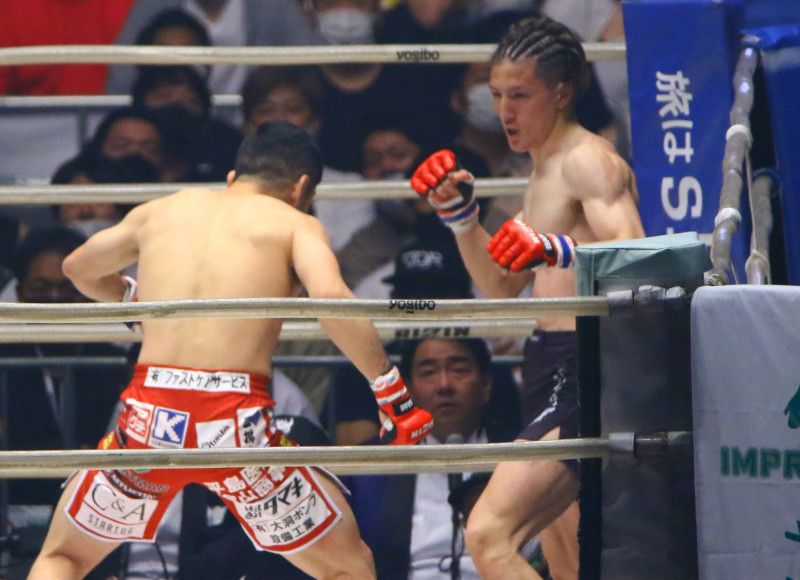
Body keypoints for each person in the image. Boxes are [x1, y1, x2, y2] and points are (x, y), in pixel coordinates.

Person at [27, 120, 433, 580]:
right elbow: (331, 301)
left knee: (63, 557)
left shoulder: (162, 210)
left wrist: (134, 304)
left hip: (150, 416)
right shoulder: (294, 223)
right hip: (235, 424)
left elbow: (77, 268)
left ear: (233, 177)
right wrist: (392, 392)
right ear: (301, 188)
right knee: (348, 568)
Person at [411, 16, 645, 580]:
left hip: (589, 363)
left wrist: (558, 250)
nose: (503, 111)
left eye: (519, 95)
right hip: (548, 362)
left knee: (489, 534)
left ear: (560, 93)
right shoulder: (542, 175)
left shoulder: (588, 160)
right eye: (496, 95)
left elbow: (639, 257)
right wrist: (461, 217)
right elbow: (500, 285)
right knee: (566, 560)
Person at [342, 337, 524, 579]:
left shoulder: (522, 456)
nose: (444, 385)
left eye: (459, 369)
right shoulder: (369, 464)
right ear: (408, 389)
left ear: (486, 384)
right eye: (428, 373)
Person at [0, 227, 128, 509]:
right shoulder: (4, 357)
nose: (55, 297)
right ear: (19, 293)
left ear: (91, 294)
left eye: (70, 289)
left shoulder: (118, 362)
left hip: (100, 506)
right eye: (40, 287)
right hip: (15, 502)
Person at [106, 0, 319, 94]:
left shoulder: (274, 5)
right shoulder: (152, 5)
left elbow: (304, 61)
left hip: (255, 120)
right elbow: (124, 67)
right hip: (175, 117)